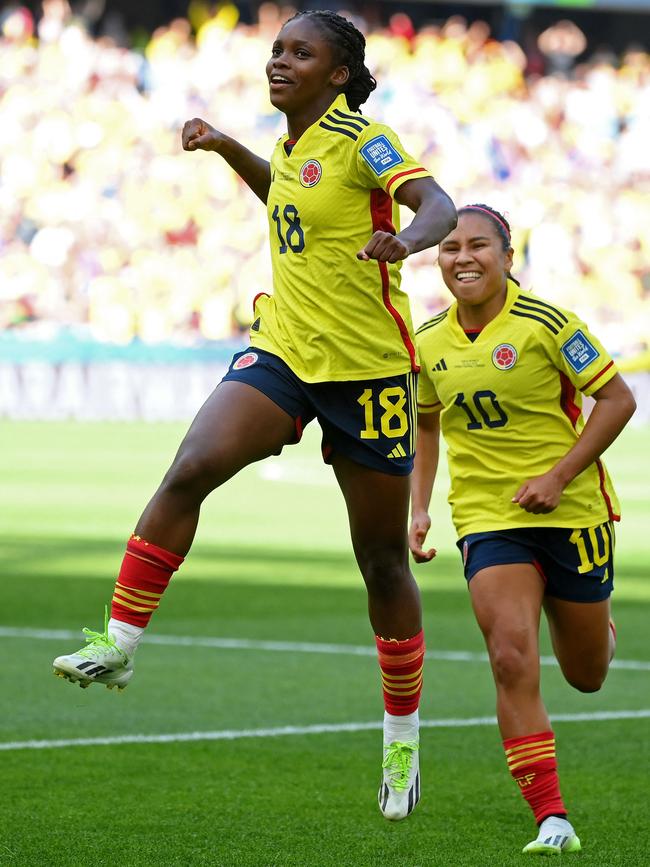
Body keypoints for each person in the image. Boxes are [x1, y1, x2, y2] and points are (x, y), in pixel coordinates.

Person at [52, 9, 457, 822]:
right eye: (276, 49)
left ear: (338, 74)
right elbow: (286, 200)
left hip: (369, 373)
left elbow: (437, 202)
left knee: (381, 562)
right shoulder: (291, 142)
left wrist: (408, 240)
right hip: (283, 354)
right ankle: (118, 644)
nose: (280, 61)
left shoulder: (361, 138)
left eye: (300, 53)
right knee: (191, 467)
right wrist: (228, 145)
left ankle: (403, 737)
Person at [409, 204, 636, 854]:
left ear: (508, 257)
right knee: (510, 655)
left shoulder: (549, 323)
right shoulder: (427, 340)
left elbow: (618, 398)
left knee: (586, 673)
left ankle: (597, 629)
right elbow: (427, 423)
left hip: (573, 511)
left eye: (479, 245)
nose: (463, 257)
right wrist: (420, 506)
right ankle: (552, 817)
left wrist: (560, 476)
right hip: (487, 516)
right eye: (450, 247)